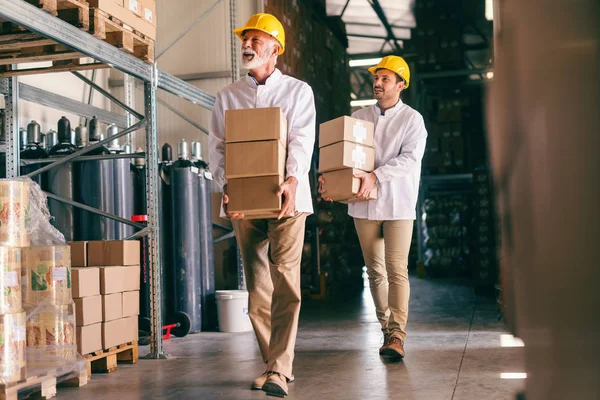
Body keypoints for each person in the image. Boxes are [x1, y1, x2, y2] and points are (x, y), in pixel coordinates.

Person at [208, 13, 316, 398]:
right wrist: (225, 185)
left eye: (255, 39)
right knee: (257, 290)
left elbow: (302, 141)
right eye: (245, 39)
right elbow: (217, 149)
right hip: (243, 203)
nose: (247, 45)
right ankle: (274, 366)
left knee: (286, 280)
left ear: (275, 48)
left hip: (289, 200)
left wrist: (290, 181)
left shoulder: (298, 92)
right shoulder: (227, 96)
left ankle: (279, 369)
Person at [319, 56, 427, 359]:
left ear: (401, 85)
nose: (377, 84)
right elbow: (345, 156)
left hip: (398, 203)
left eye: (384, 79)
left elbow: (409, 160)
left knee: (396, 269)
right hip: (363, 206)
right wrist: (333, 183)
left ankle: (398, 334)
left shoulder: (412, 120)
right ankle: (385, 331)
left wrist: (375, 175)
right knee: (375, 271)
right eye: (375, 78)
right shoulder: (359, 117)